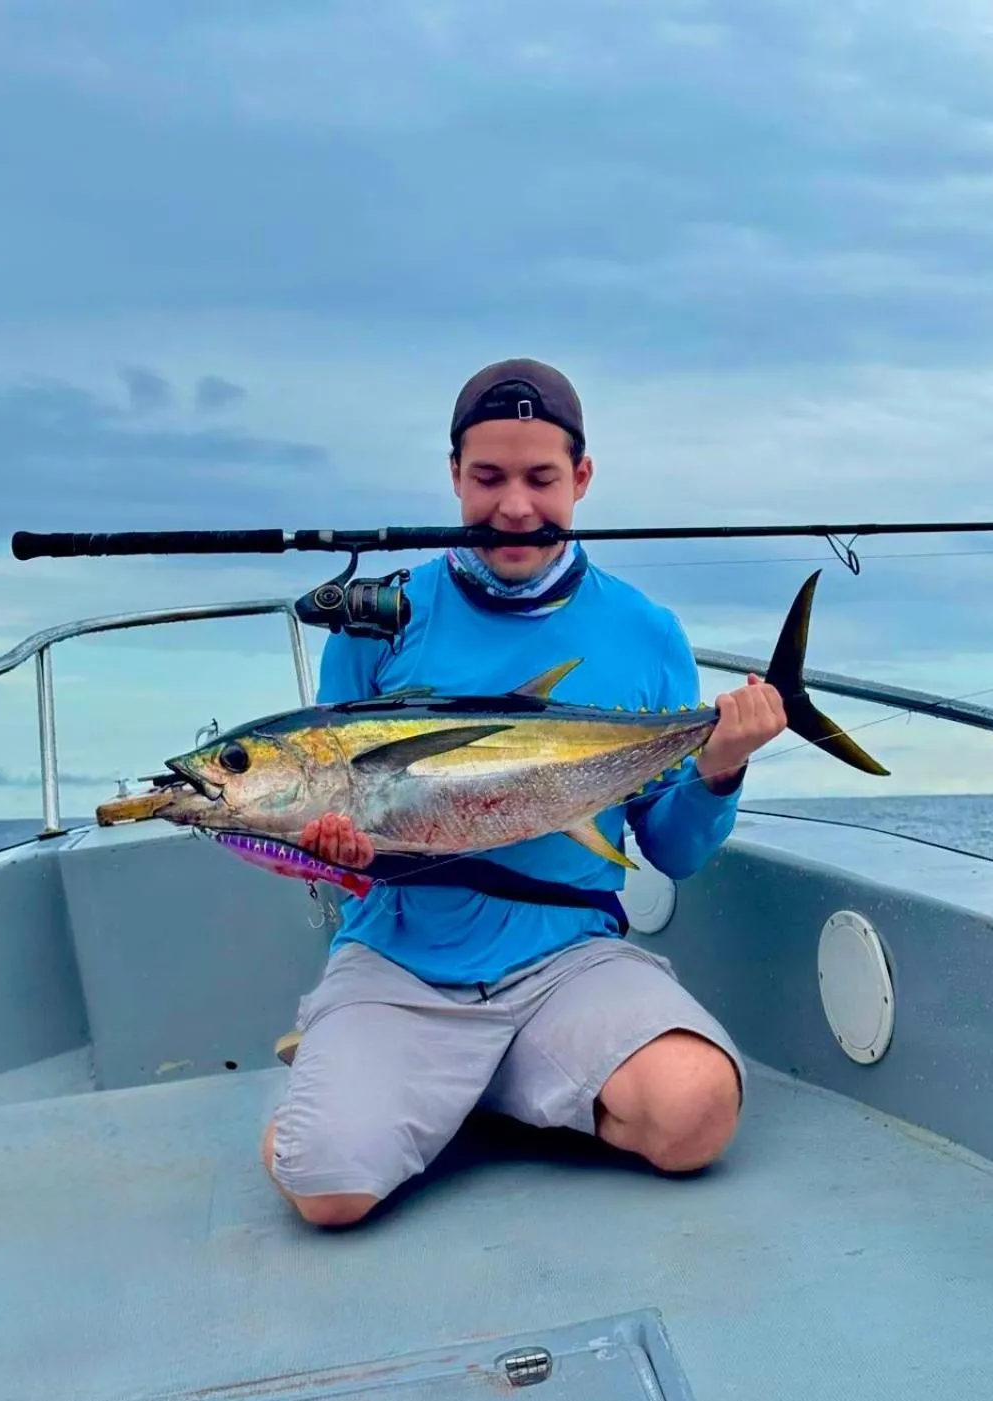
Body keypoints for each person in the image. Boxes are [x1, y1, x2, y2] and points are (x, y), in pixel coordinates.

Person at [262, 358, 786, 1227]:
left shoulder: (647, 632)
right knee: (327, 1188)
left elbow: (675, 850)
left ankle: (461, 1087)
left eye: (542, 479)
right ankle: (371, 1073)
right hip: (403, 960)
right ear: (453, 477)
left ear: (581, 478)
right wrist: (338, 853)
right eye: (488, 478)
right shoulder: (380, 620)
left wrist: (721, 766)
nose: (514, 508)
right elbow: (341, 805)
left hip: (567, 959)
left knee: (695, 1115)